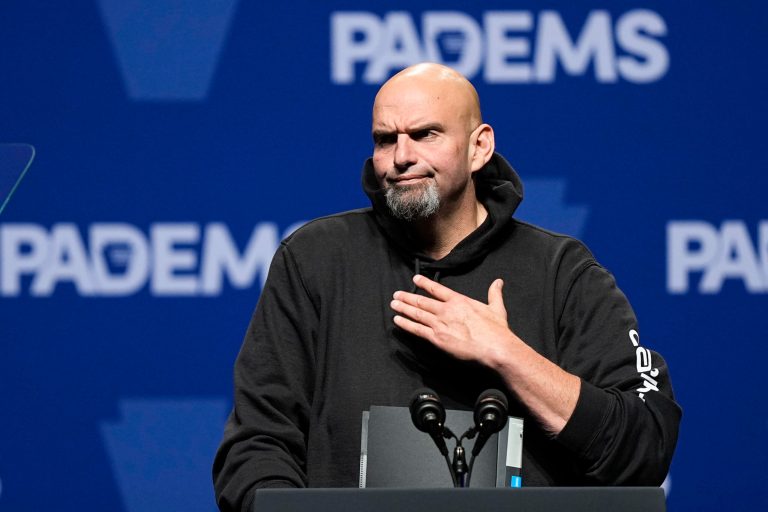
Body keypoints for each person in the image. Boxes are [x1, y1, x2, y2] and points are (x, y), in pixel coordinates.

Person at [213, 63, 681, 512]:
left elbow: (644, 447)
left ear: (479, 147)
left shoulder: (561, 272)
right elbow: (256, 447)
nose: (401, 156)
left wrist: (507, 354)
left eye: (425, 134)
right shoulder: (315, 260)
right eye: (384, 139)